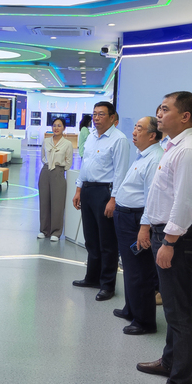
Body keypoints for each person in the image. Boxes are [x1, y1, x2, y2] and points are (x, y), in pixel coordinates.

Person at [136, 91, 192, 384]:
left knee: (179, 313)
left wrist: (169, 241)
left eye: (165, 109)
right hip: (165, 233)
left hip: (176, 238)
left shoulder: (189, 151)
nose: (159, 114)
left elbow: (184, 202)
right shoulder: (173, 147)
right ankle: (170, 360)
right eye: (159, 109)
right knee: (171, 308)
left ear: (185, 116)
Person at [72, 102, 130, 301]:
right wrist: (79, 188)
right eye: (94, 114)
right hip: (88, 190)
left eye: (101, 114)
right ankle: (92, 277)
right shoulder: (90, 137)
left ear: (113, 118)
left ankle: (107, 284)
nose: (96, 118)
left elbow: (120, 173)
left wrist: (114, 199)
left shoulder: (119, 140)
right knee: (91, 239)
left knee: (107, 241)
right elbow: (85, 165)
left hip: (105, 192)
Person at [111, 116, 163, 335]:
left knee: (140, 271)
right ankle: (131, 309)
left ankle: (144, 321)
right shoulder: (142, 155)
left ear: (152, 135)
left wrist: (144, 227)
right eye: (134, 127)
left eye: (139, 128)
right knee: (130, 268)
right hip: (126, 217)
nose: (134, 132)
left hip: (137, 220)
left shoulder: (155, 158)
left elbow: (152, 197)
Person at [38, 117, 74, 242]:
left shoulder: (67, 144)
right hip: (45, 171)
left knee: (57, 203)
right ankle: (44, 230)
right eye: (54, 125)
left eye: (59, 125)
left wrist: (60, 169)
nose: (56, 128)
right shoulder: (46, 141)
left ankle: (56, 232)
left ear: (64, 128)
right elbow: (42, 156)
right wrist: (48, 164)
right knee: (44, 202)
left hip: (58, 172)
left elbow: (69, 162)